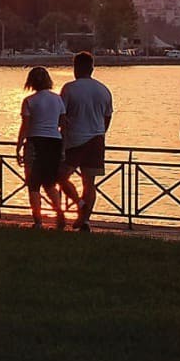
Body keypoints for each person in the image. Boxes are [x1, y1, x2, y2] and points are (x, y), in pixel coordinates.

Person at [57, 51, 113, 233]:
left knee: (60, 176)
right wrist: (100, 132)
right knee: (90, 183)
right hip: (96, 140)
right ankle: (85, 219)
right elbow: (107, 116)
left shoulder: (69, 89)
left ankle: (80, 205)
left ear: (76, 68)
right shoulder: (104, 90)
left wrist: (62, 138)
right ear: (92, 68)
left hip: (74, 141)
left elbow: (62, 117)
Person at [17, 66, 67, 229]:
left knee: (33, 183)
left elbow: (25, 126)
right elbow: (62, 122)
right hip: (54, 142)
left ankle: (38, 221)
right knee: (50, 182)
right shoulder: (58, 99)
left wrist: (18, 146)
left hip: (34, 142)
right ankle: (59, 211)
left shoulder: (29, 101)